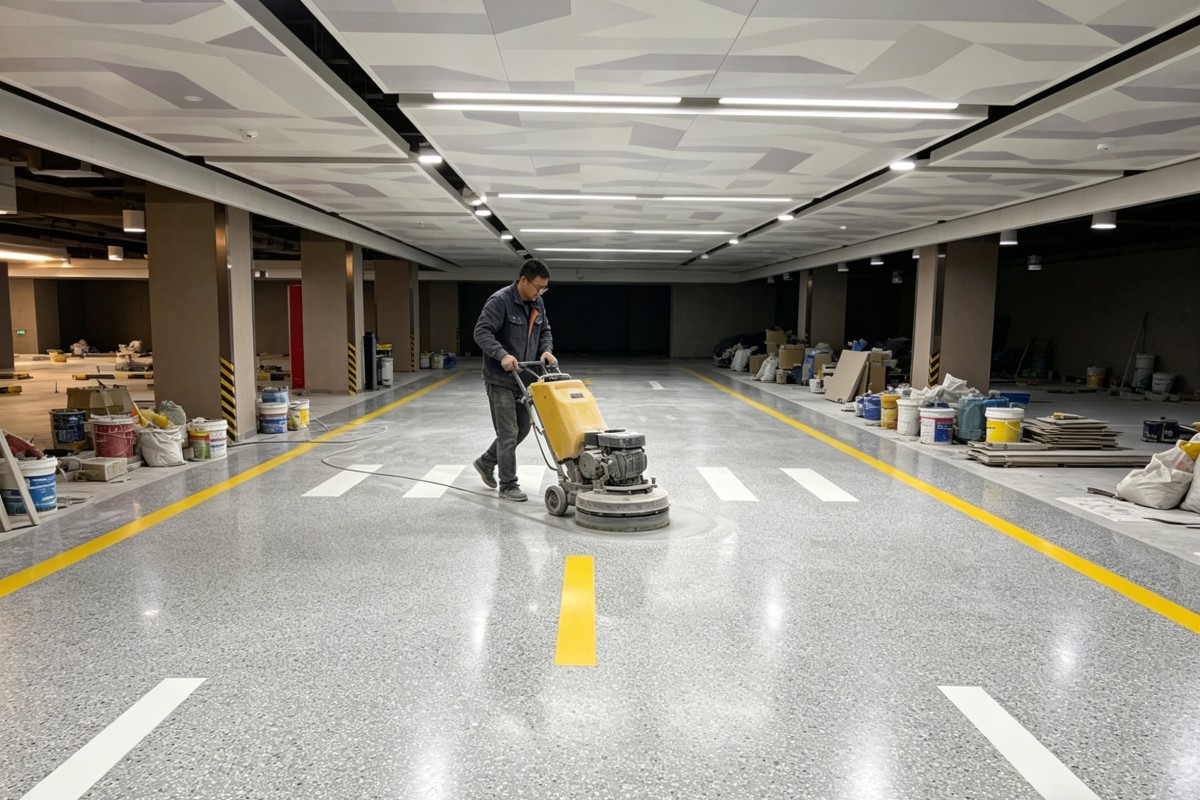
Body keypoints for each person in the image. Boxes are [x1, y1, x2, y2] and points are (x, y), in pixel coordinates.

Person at [472, 259, 557, 501]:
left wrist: (546, 350)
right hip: (500, 378)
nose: (540, 292)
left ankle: (486, 461)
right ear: (522, 280)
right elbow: (481, 332)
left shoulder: (537, 302)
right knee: (508, 432)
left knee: (522, 429)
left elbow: (545, 330)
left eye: (544, 288)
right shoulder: (500, 301)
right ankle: (508, 484)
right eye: (537, 287)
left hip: (525, 379)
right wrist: (502, 354)